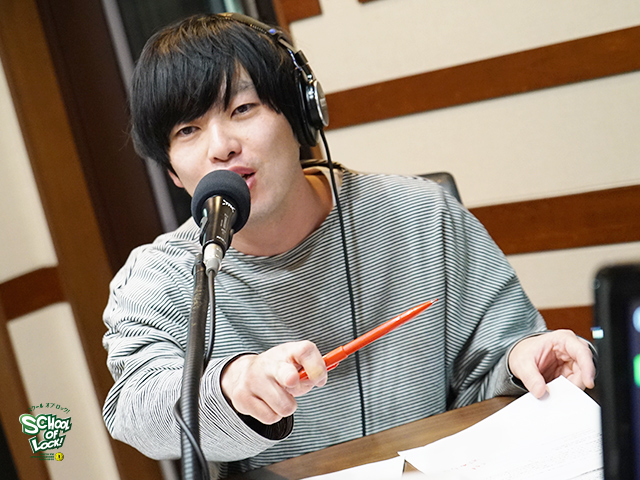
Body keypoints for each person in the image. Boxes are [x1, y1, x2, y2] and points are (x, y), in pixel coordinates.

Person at [102, 12, 596, 478]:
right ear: (171, 169)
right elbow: (134, 407)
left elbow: (495, 363)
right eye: (188, 130)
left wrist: (524, 361)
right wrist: (233, 384)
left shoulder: (422, 215)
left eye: (243, 109)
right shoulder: (159, 277)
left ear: (301, 116)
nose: (221, 146)